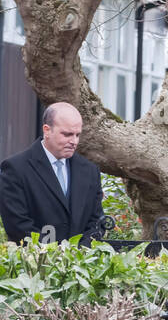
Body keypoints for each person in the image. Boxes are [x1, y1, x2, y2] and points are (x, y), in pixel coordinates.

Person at [0, 103, 105, 244]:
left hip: (81, 262)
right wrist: (56, 255)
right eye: (67, 134)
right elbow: (18, 226)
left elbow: (96, 221)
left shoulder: (90, 170)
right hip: (36, 262)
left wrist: (78, 255)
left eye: (77, 135)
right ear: (47, 130)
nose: (74, 141)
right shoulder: (16, 169)